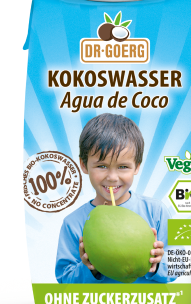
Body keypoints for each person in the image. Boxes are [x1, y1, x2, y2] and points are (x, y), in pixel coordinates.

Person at [55, 113, 175, 284]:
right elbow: (64, 279)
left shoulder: (157, 211)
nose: (112, 177)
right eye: (102, 166)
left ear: (137, 167)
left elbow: (181, 263)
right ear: (84, 165)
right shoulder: (72, 223)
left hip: (148, 302)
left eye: (123, 166)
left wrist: (157, 264)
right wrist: (90, 269)